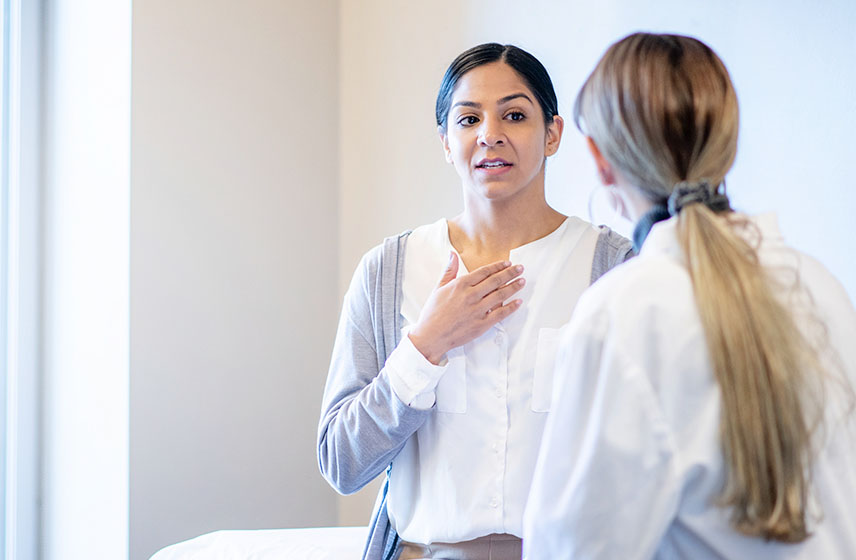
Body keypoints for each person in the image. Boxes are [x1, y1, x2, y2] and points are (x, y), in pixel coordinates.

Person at [523, 32, 856, 559]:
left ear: (599, 158)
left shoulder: (622, 314)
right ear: (728, 142)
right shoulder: (822, 288)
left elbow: (575, 549)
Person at [317, 43, 633, 560]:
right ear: (446, 142)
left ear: (552, 134)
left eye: (514, 114)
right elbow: (342, 463)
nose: (490, 134)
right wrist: (424, 347)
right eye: (468, 119)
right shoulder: (387, 272)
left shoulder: (613, 267)